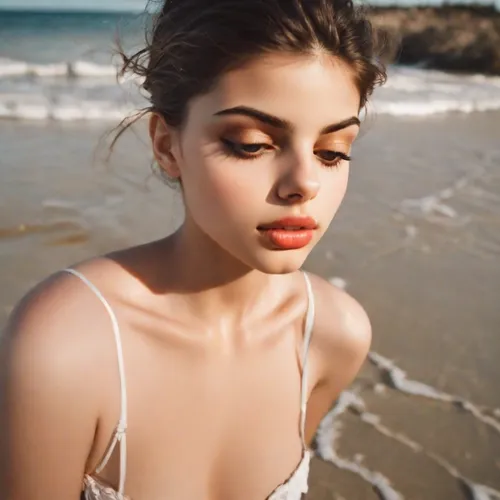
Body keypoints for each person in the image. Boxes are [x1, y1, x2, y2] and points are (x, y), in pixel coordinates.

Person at [0, 0, 387, 498]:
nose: (304, 183)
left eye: (333, 151)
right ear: (166, 144)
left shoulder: (335, 335)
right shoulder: (68, 346)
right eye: (251, 143)